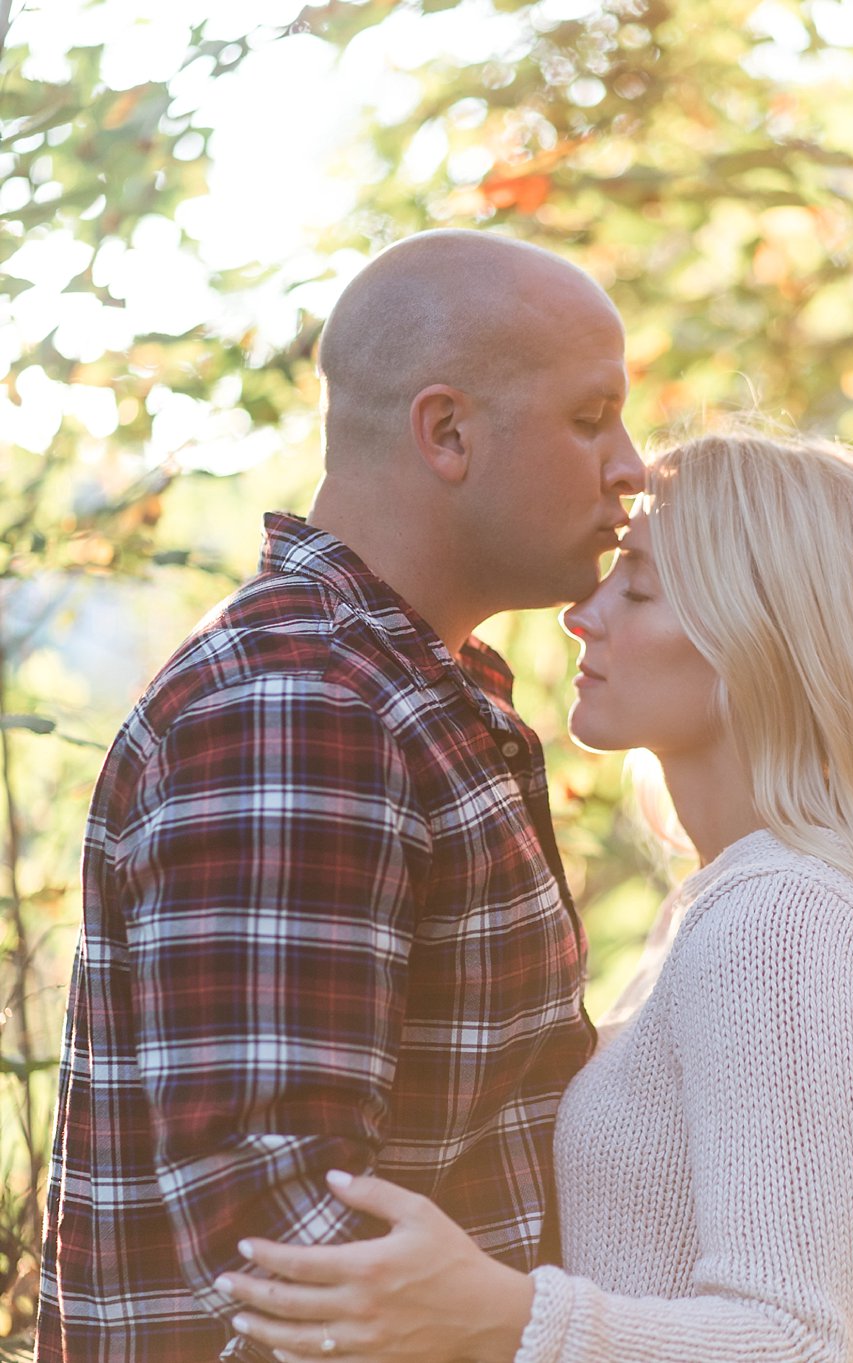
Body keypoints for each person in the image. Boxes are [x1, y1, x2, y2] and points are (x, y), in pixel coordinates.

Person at [214, 427, 853, 1363]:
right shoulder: (736, 903)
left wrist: (503, 1316)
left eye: (635, 586)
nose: (580, 615)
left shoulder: (788, 924)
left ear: (755, 637)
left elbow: (796, 1341)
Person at [38, 229, 647, 1361]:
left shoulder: (408, 692)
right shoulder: (298, 709)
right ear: (448, 433)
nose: (631, 465)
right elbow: (290, 1254)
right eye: (588, 417)